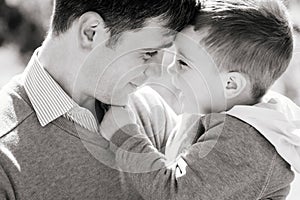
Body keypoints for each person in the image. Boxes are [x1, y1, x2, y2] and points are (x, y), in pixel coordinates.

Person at [100, 0, 300, 199]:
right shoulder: (224, 119)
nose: (170, 68)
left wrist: (124, 137)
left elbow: (175, 194)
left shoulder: (245, 140)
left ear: (230, 84)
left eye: (183, 63)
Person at [0, 0, 199, 199]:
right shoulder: (5, 157)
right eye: (149, 53)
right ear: (91, 32)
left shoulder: (149, 110)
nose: (157, 71)